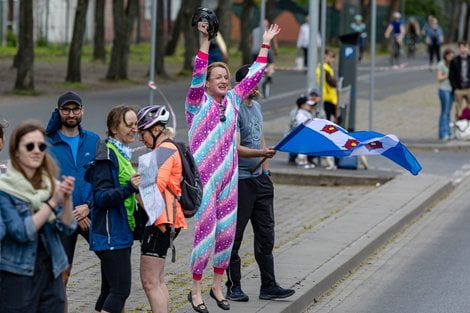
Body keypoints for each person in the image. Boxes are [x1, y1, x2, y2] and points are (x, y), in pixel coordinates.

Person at [185, 18, 280, 313]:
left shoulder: (235, 102)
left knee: (226, 236)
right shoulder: (196, 103)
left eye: (226, 76)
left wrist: (265, 44)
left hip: (229, 179)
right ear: (207, 83)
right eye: (218, 77)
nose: (224, 80)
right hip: (205, 181)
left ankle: (217, 286)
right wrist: (205, 41)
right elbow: (199, 68)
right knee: (206, 234)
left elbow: (255, 74)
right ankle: (196, 289)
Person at [225, 64, 295, 302]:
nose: (256, 86)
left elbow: (260, 136)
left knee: (266, 235)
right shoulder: (233, 110)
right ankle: (233, 286)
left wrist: (266, 172)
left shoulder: (256, 107)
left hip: (260, 181)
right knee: (235, 237)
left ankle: (269, 285)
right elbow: (235, 148)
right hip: (240, 182)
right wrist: (260, 153)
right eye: (252, 82)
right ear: (242, 84)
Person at [0, 120, 76, 313]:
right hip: (17, 274)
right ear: (16, 151)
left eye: (41, 146)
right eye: (29, 146)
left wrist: (66, 199)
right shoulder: (5, 188)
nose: (36, 150)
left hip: (52, 270)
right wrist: (52, 203)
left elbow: (66, 227)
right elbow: (21, 231)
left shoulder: (48, 184)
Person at [45, 90, 99, 311]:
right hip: (62, 219)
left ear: (82, 111)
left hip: (89, 215)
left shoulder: (94, 141)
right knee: (61, 277)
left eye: (75, 109)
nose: (71, 113)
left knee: (115, 267)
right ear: (59, 112)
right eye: (66, 109)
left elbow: (102, 180)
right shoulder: (47, 143)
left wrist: (88, 207)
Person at [85, 105, 142, 313]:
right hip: (110, 233)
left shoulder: (121, 152)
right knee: (120, 290)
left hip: (120, 231)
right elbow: (101, 197)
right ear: (113, 128)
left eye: (136, 124)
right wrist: (130, 188)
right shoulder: (107, 156)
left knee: (109, 289)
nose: (134, 128)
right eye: (129, 124)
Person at [137, 105, 187, 313]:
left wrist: (135, 188)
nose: (141, 139)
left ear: (155, 130)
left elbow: (154, 186)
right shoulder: (167, 148)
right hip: (166, 218)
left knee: (150, 282)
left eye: (143, 133)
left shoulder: (165, 150)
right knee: (157, 280)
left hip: (161, 220)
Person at [252, 19, 278, 98]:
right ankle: (269, 76)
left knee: (256, 68)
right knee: (271, 62)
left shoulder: (254, 31)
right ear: (266, 25)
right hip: (266, 51)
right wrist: (276, 51)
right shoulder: (268, 32)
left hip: (254, 51)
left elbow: (251, 40)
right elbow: (273, 42)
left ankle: (255, 82)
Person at [436, 48, 455, 141]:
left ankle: (448, 131)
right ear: (446, 55)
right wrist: (448, 75)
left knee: (448, 112)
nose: (451, 57)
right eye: (450, 55)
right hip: (444, 90)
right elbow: (439, 77)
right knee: (444, 112)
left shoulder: (453, 64)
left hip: (451, 90)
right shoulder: (441, 64)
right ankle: (443, 133)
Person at [449, 41, 470, 120]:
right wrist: (455, 88)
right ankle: (459, 127)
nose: (463, 49)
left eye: (465, 47)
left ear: (468, 48)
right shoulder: (454, 61)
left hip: (468, 88)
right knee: (459, 109)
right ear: (458, 49)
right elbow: (451, 76)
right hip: (459, 89)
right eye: (461, 47)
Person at [316, 49, 339, 123]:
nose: (333, 59)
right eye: (331, 57)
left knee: (333, 119)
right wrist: (336, 83)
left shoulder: (327, 67)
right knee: (329, 120)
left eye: (334, 57)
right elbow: (331, 82)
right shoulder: (324, 68)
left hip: (329, 97)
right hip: (327, 98)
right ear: (325, 56)